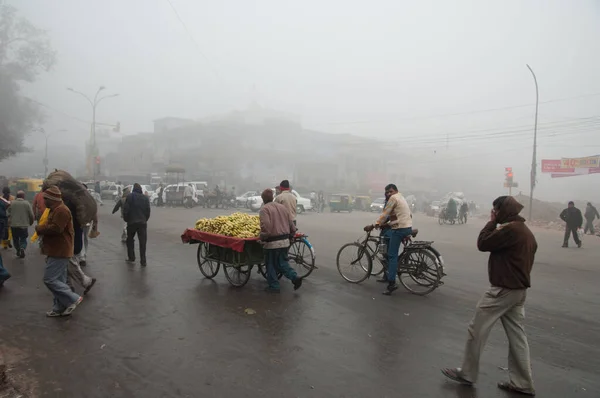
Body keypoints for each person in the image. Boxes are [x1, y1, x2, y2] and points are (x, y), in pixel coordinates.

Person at [441, 196, 536, 396]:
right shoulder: (526, 232)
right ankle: (523, 383)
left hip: (502, 289)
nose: (494, 213)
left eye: (496, 210)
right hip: (518, 291)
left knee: (477, 329)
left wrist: (492, 222)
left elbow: (483, 242)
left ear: (503, 211)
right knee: (518, 337)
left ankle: (467, 373)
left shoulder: (510, 230)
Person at [35, 186, 83, 317]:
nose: (43, 201)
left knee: (49, 279)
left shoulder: (61, 210)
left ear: (52, 199)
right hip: (57, 249)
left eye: (45, 199)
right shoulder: (55, 209)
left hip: (60, 250)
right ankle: (59, 308)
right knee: (59, 281)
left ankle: (72, 298)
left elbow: (56, 229)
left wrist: (39, 228)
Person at [364, 184, 412, 295]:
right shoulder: (401, 197)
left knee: (391, 256)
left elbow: (384, 215)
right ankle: (389, 274)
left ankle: (391, 284)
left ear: (396, 191)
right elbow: (398, 216)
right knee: (391, 253)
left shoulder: (393, 198)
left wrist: (374, 225)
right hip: (406, 227)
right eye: (387, 192)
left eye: (390, 191)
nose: (388, 194)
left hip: (399, 229)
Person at [259, 188, 302, 293]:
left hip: (273, 243)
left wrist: (262, 237)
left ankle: (274, 286)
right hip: (285, 241)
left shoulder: (264, 209)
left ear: (263, 199)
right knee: (282, 263)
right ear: (272, 197)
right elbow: (292, 226)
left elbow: (267, 228)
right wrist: (291, 236)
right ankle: (295, 278)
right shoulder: (282, 208)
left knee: (271, 264)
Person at [64, 197, 96, 294]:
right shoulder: (77, 207)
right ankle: (69, 286)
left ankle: (85, 282)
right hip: (74, 239)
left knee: (70, 263)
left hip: (71, 240)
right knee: (66, 264)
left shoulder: (67, 208)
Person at [123, 183, 151, 266]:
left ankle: (131, 257)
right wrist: (145, 219)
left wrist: (126, 219)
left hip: (131, 222)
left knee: (130, 240)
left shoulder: (130, 197)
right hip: (142, 223)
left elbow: (126, 210)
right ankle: (143, 261)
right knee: (142, 242)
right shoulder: (145, 198)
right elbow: (148, 211)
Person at [8, 191, 34, 258]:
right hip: (24, 225)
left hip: (14, 225)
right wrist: (31, 222)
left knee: (15, 239)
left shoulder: (12, 203)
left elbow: (7, 213)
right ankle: (22, 248)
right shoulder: (27, 203)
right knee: (23, 238)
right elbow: (31, 215)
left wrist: (9, 221)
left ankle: (18, 250)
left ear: (16, 196)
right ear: (23, 196)